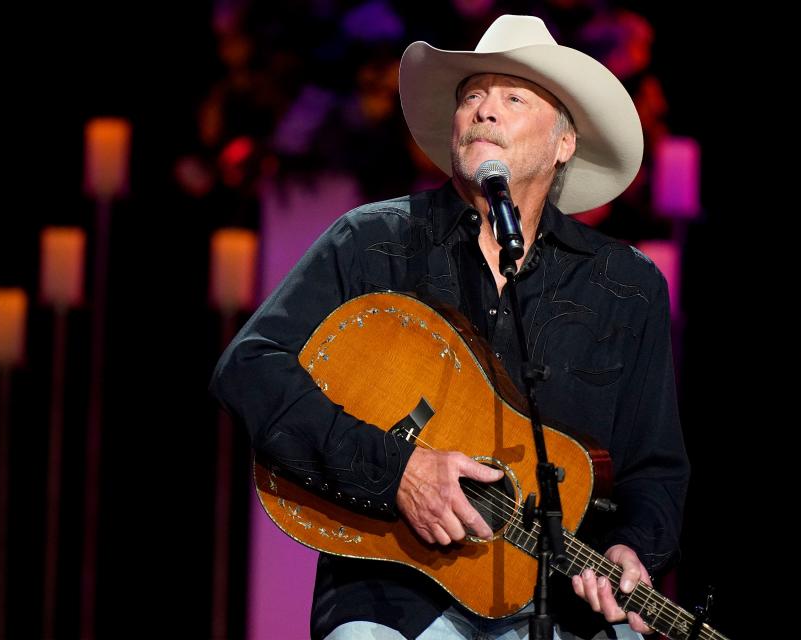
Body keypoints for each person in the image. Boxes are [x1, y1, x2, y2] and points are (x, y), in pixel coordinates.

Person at [211, 14, 689, 640]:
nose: (485, 111)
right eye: (472, 96)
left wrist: (633, 547)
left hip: (563, 609)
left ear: (564, 142)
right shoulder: (372, 241)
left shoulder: (626, 285)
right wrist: (398, 472)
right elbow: (249, 367)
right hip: (393, 601)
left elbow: (654, 467)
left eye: (513, 97)